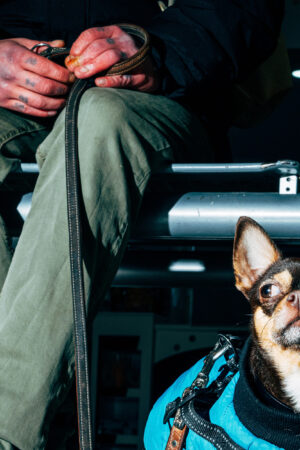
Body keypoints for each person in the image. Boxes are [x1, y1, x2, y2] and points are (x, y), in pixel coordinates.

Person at [0, 1, 284, 448]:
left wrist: (163, 53)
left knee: (98, 121)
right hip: (17, 103)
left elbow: (246, 11)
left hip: (156, 98)